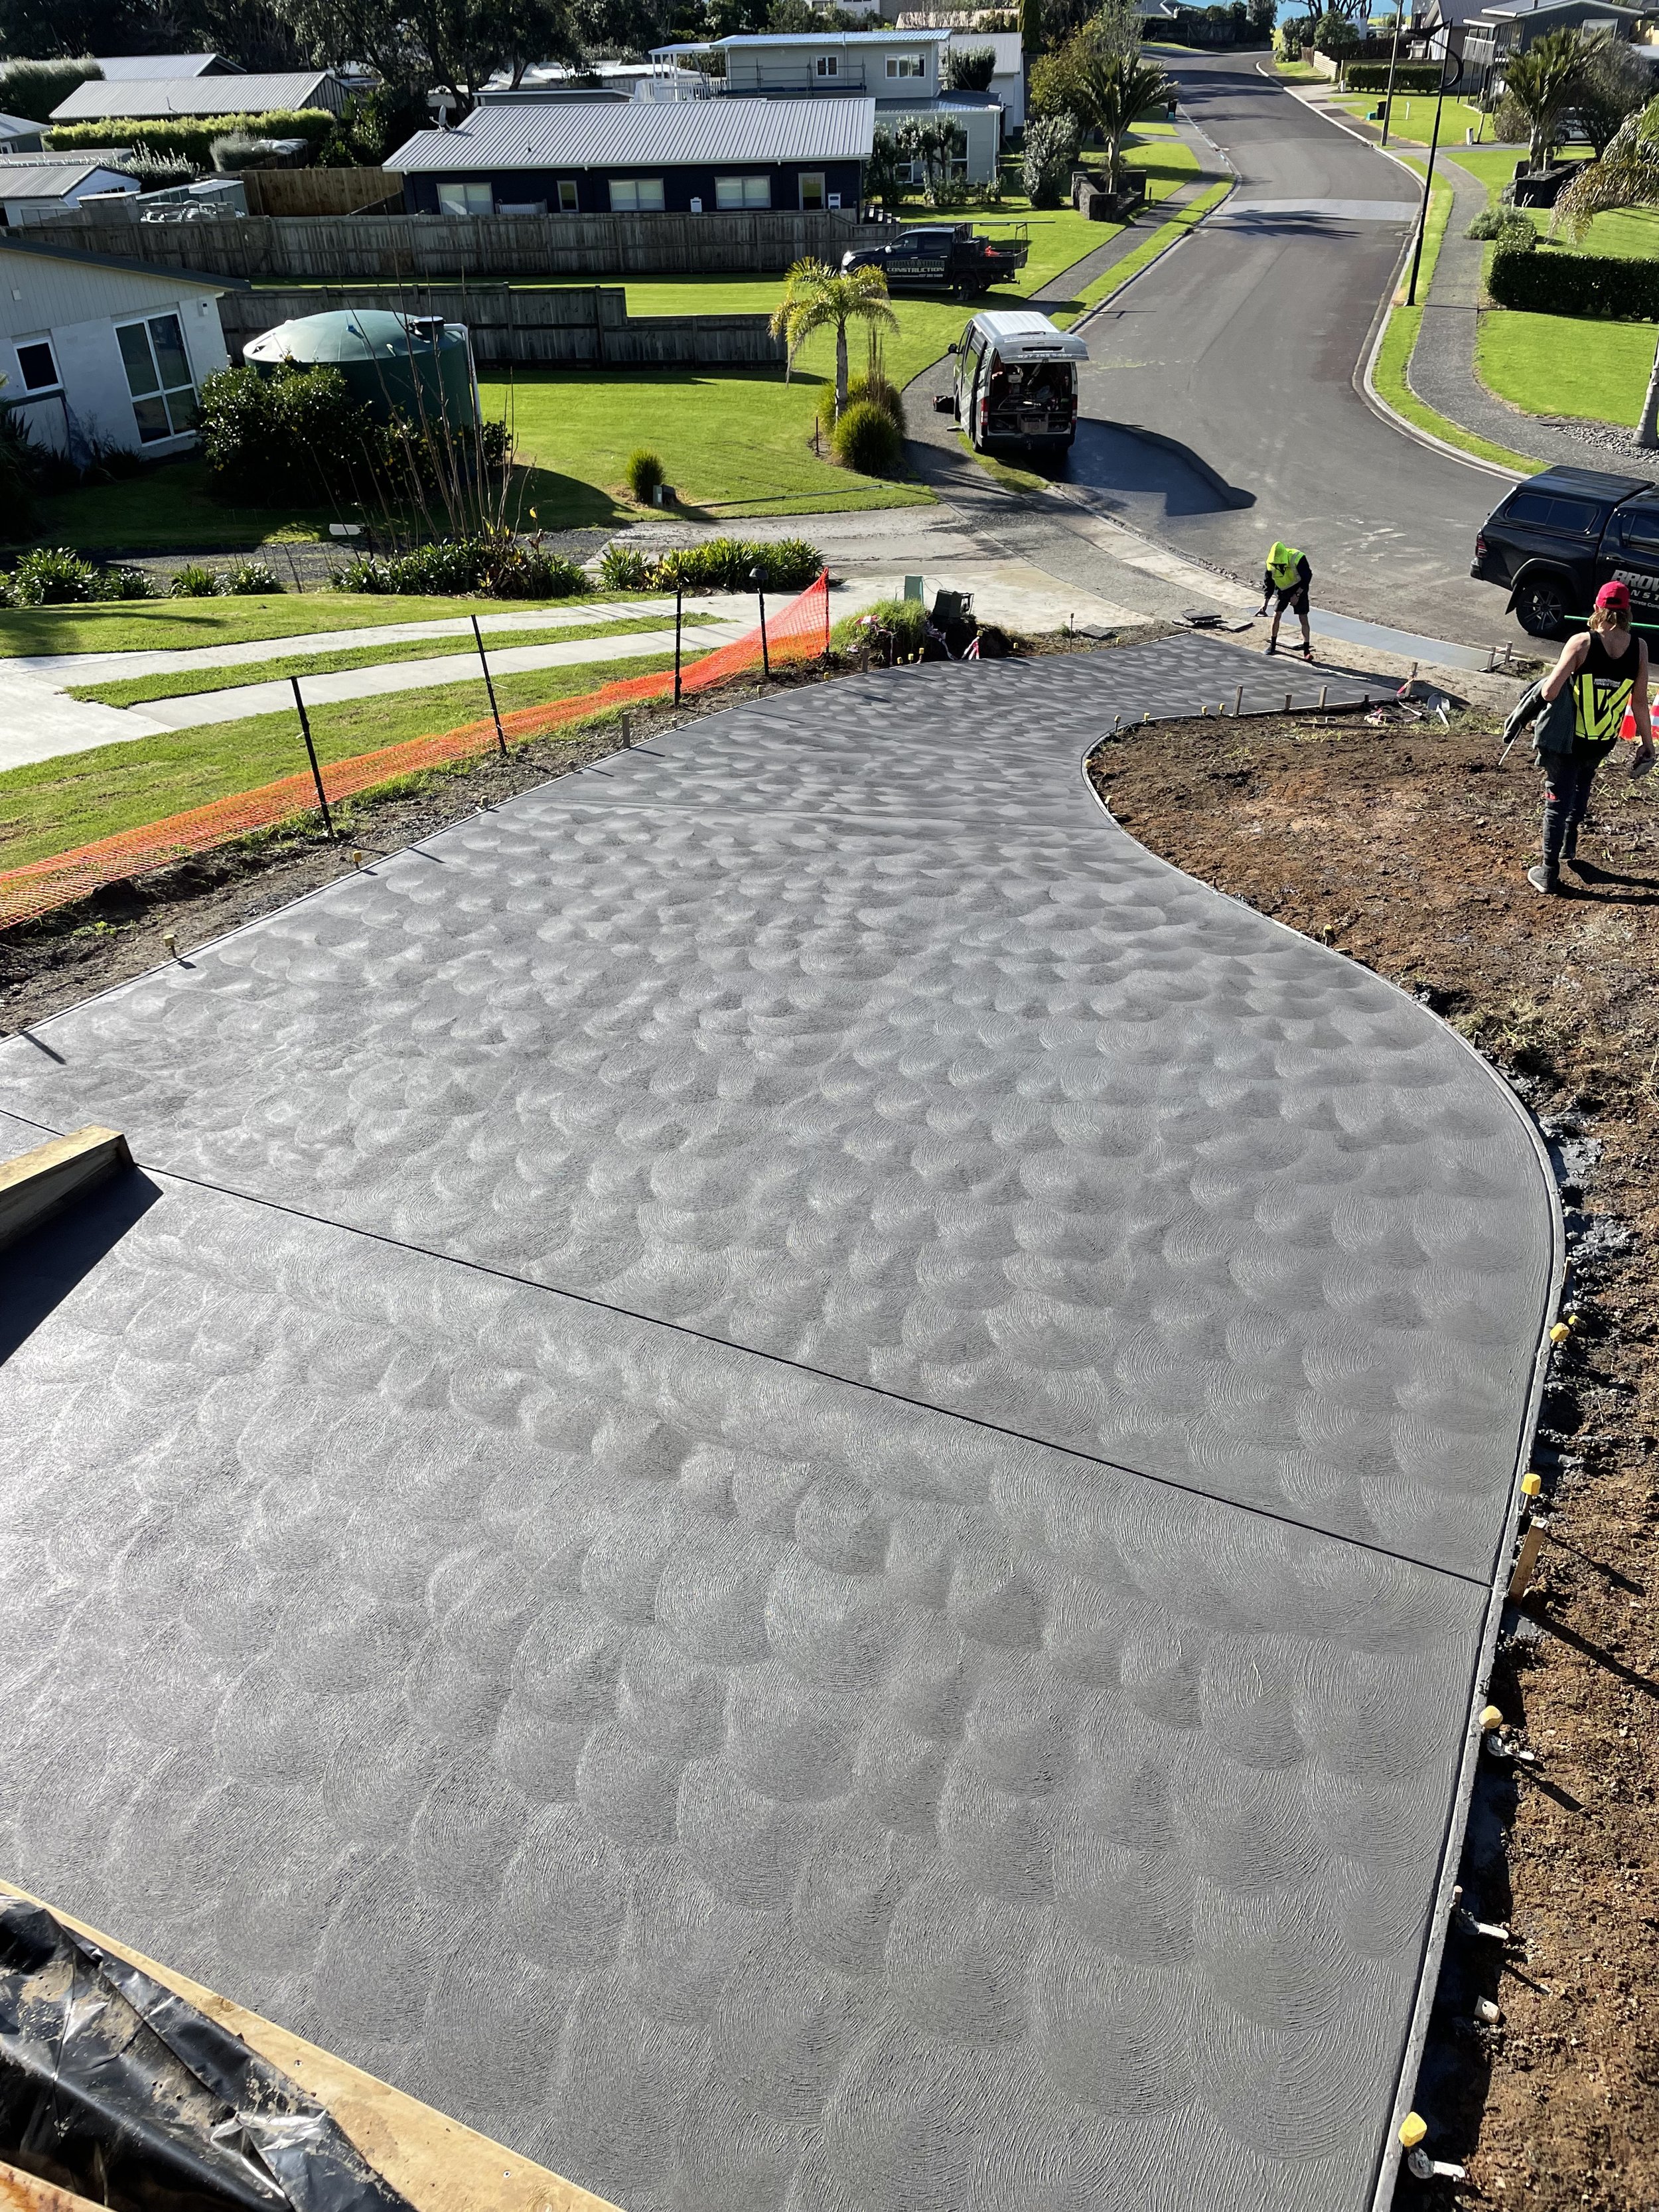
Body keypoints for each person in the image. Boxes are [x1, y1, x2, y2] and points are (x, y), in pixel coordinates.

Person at [1528, 577, 1656, 895]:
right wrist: (1647, 744)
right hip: (1602, 738)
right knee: (1583, 783)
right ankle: (1568, 845)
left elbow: (1550, 691)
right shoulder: (1639, 648)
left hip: (1569, 737)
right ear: (1627, 611)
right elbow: (1640, 701)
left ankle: (1548, 871)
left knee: (1557, 798)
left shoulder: (1582, 642)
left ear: (1597, 607)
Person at [1261, 542, 1313, 660]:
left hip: (1299, 588)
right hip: (1283, 589)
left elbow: (1307, 577)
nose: (1278, 566)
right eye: (1276, 564)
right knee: (1276, 615)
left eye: (1280, 564)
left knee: (1303, 618)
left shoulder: (1297, 558)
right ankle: (1273, 645)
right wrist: (1265, 602)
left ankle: (1306, 651)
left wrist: (1297, 594)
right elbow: (1269, 583)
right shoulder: (1270, 563)